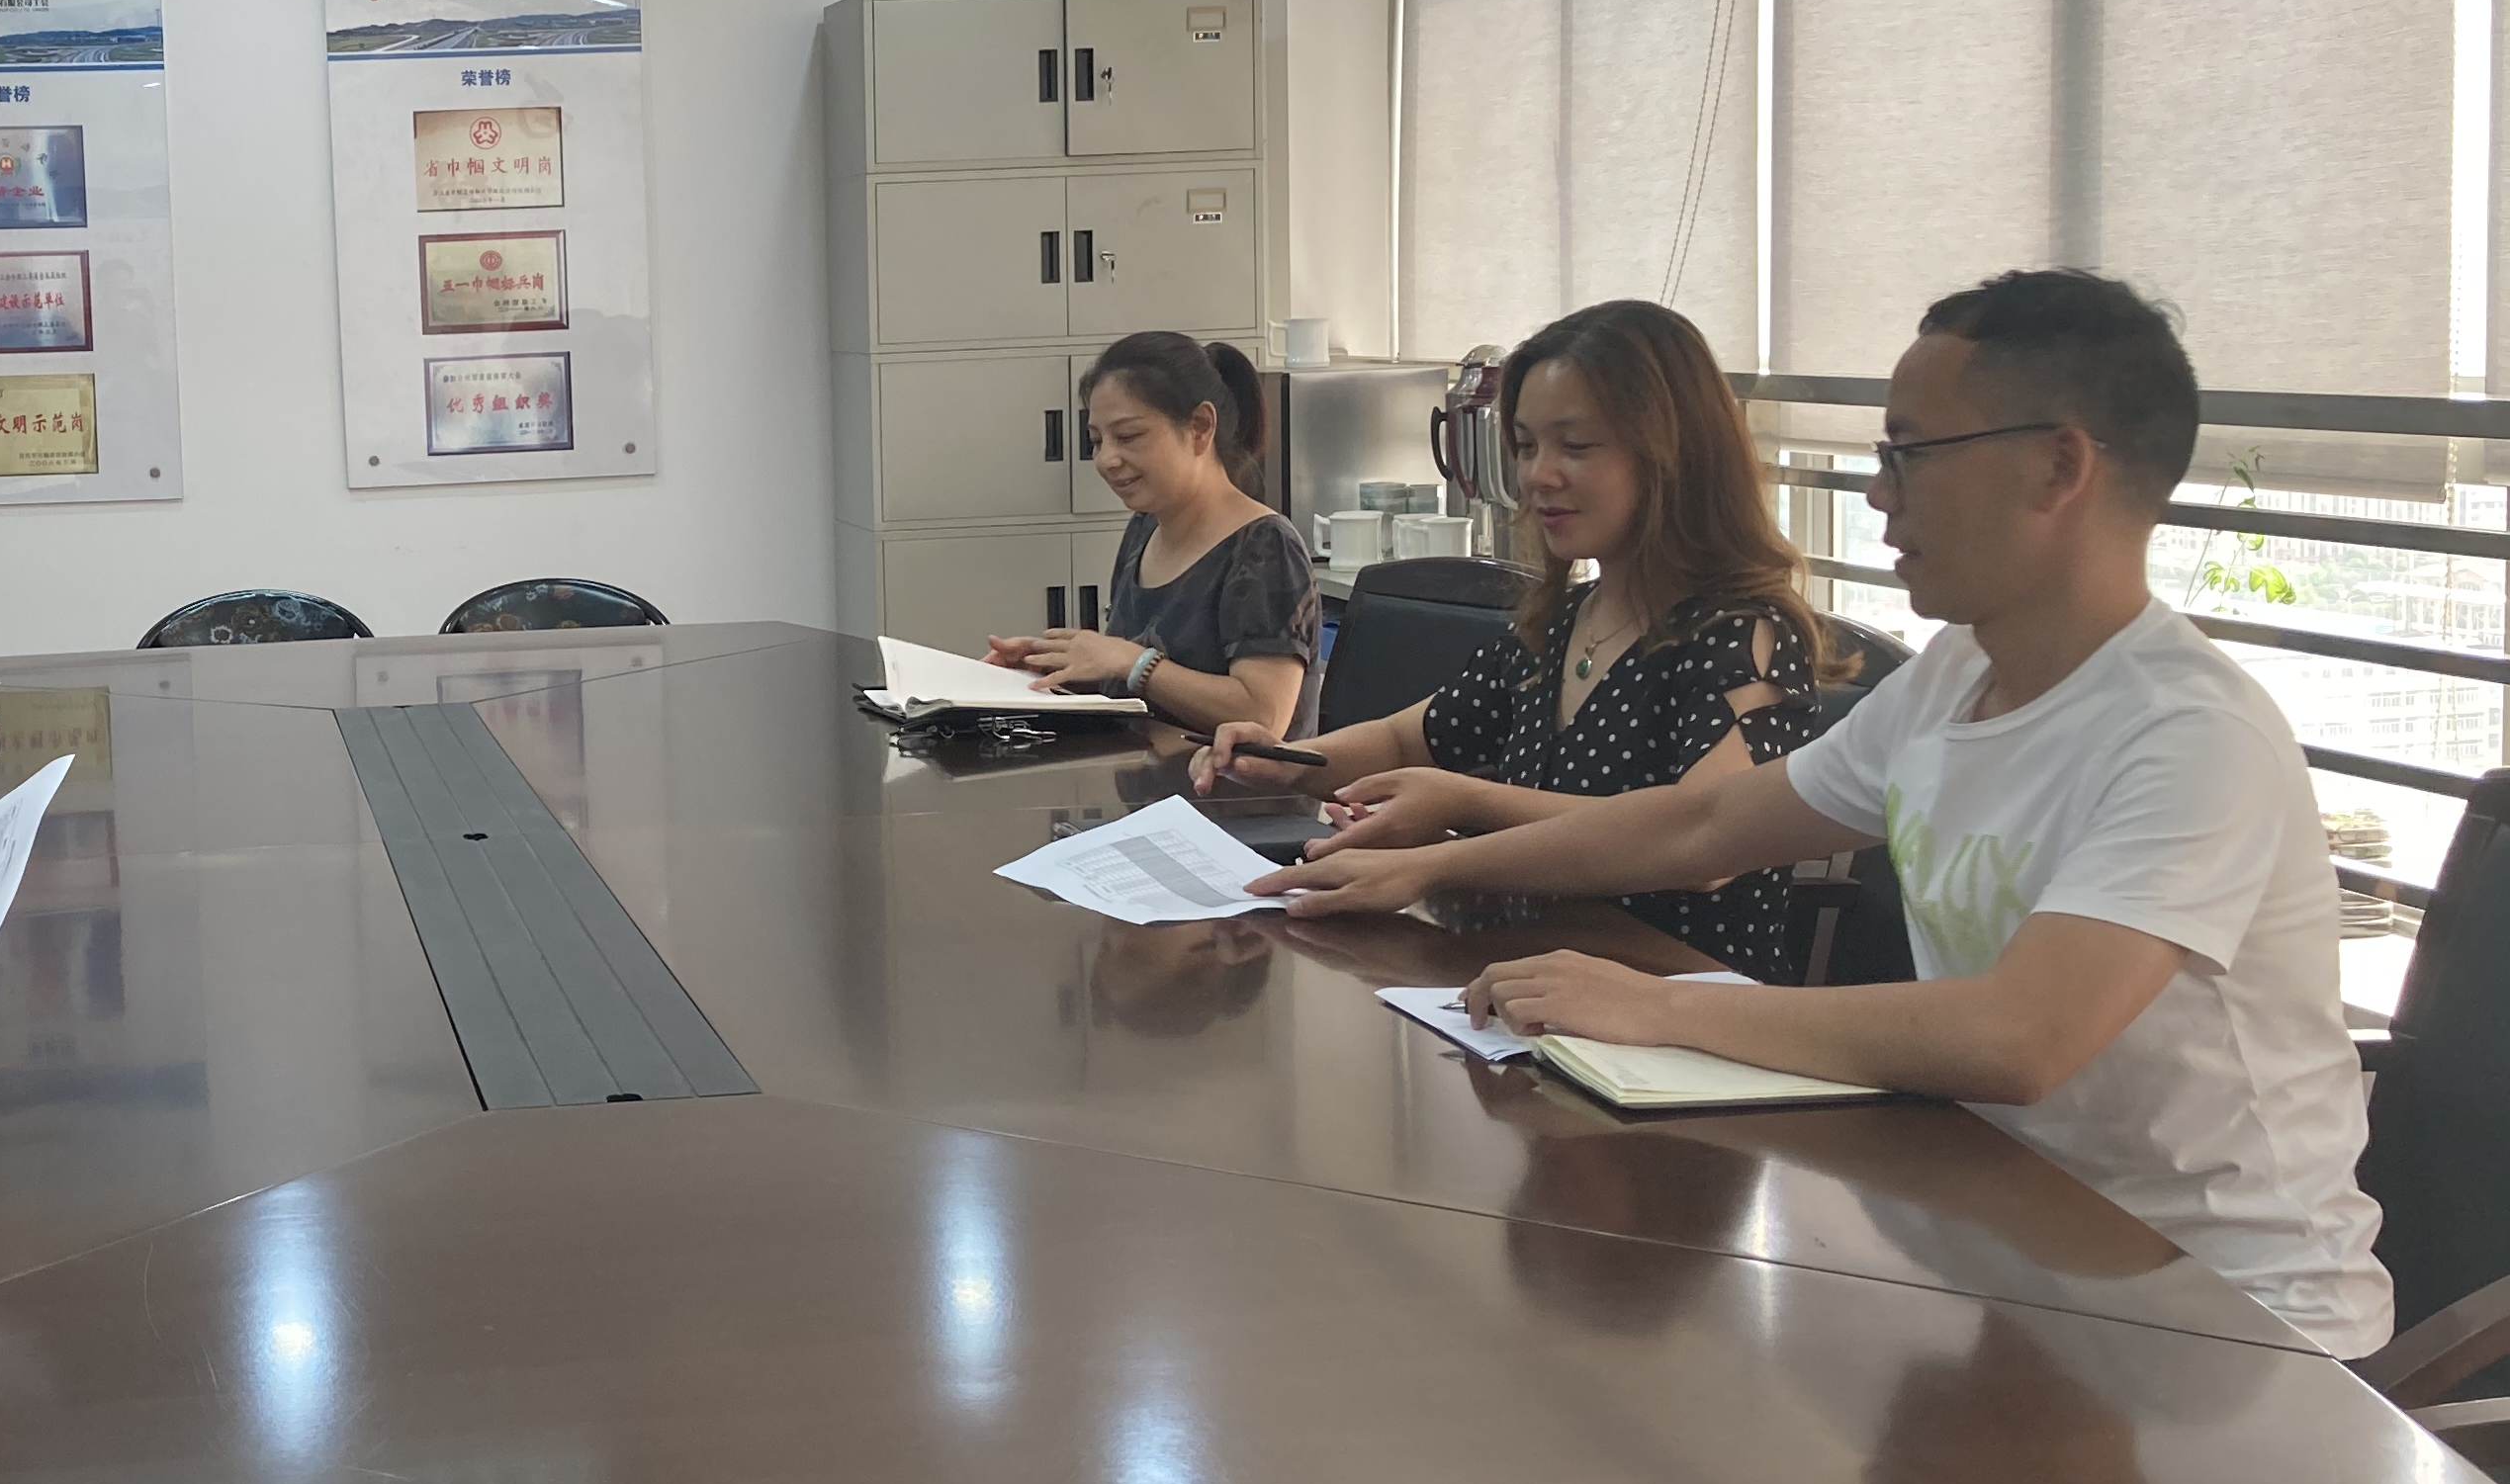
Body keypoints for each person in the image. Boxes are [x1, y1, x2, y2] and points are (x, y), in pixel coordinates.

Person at [1259, 269, 2387, 1355]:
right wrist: (1433, 866)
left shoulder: (2189, 735)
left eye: (1909, 454)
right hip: (2010, 1238)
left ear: (2058, 468)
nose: (1879, 494)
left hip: (2226, 1317)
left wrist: (1659, 1006)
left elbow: (2020, 1037)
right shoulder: (1954, 681)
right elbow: (1705, 826)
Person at [1194, 298, 1828, 980]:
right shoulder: (1563, 621)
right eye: (1526, 446)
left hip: (1678, 998)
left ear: (1674, 454)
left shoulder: (1745, 634)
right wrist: (1286, 760)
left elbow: (1705, 844)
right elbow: (1410, 740)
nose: (1537, 475)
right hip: (1535, 973)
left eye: (1575, 447)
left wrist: (1457, 821)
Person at [985, 331, 1315, 741]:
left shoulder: (1265, 547)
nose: (1107, 459)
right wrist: (1055, 666)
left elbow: (1264, 717)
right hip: (1147, 773)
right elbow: (1135, 684)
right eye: (1097, 441)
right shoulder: (1145, 528)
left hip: (1228, 783)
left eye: (1128, 437)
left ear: (1200, 427)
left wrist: (1134, 661)